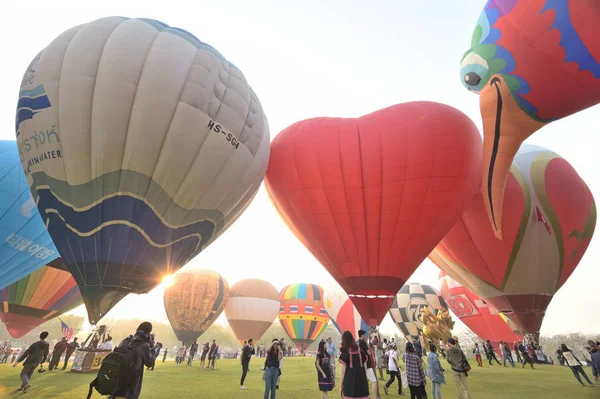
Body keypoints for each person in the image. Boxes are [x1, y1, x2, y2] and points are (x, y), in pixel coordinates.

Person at [108, 321, 156, 399]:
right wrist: (152, 346)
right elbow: (150, 363)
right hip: (130, 389)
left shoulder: (124, 341)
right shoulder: (144, 345)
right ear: (148, 334)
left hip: (115, 384)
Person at [339, 330, 370, 399]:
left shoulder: (345, 352)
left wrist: (341, 385)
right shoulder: (360, 350)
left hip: (349, 383)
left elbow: (342, 371)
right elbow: (365, 366)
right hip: (362, 382)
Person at [358, 329, 380, 398]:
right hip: (367, 364)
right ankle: (375, 397)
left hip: (362, 364)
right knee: (374, 381)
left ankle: (367, 396)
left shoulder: (358, 342)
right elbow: (369, 352)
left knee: (365, 381)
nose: (365, 336)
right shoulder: (363, 342)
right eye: (364, 335)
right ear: (362, 335)